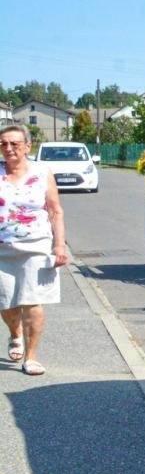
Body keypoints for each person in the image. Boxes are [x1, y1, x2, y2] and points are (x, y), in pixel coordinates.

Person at [0, 122, 67, 376]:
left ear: (27, 146)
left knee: (32, 301)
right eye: (3, 144)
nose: (9, 148)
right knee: (6, 302)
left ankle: (31, 356)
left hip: (36, 245)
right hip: (3, 248)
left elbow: (54, 210)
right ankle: (14, 333)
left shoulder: (42, 172)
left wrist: (59, 245)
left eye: (15, 144)